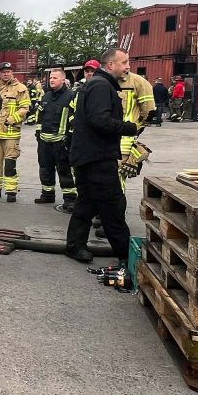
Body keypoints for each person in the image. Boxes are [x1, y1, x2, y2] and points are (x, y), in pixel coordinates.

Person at [65, 47, 139, 266]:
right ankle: (127, 257)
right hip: (97, 158)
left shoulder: (99, 84)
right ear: (110, 65)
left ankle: (75, 246)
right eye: (124, 62)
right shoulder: (101, 86)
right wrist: (128, 128)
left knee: (86, 204)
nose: (128, 67)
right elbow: (100, 120)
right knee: (112, 206)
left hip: (88, 156)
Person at [0, 61, 31, 202]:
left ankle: (11, 192)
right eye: (3, 71)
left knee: (10, 164)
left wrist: (11, 119)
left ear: (12, 72)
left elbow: (25, 109)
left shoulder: (21, 88)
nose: (6, 74)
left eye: (8, 71)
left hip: (11, 133)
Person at [34, 68, 76, 209]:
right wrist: (38, 134)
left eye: (55, 78)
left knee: (64, 170)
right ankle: (47, 195)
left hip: (61, 141)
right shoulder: (46, 97)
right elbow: (39, 116)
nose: (51, 80)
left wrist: (69, 138)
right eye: (51, 77)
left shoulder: (71, 96)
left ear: (63, 80)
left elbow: (74, 120)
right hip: (44, 141)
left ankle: (70, 199)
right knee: (45, 168)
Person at [118, 69, 155, 159]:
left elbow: (149, 112)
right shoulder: (104, 83)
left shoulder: (139, 82)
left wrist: (136, 128)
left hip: (125, 142)